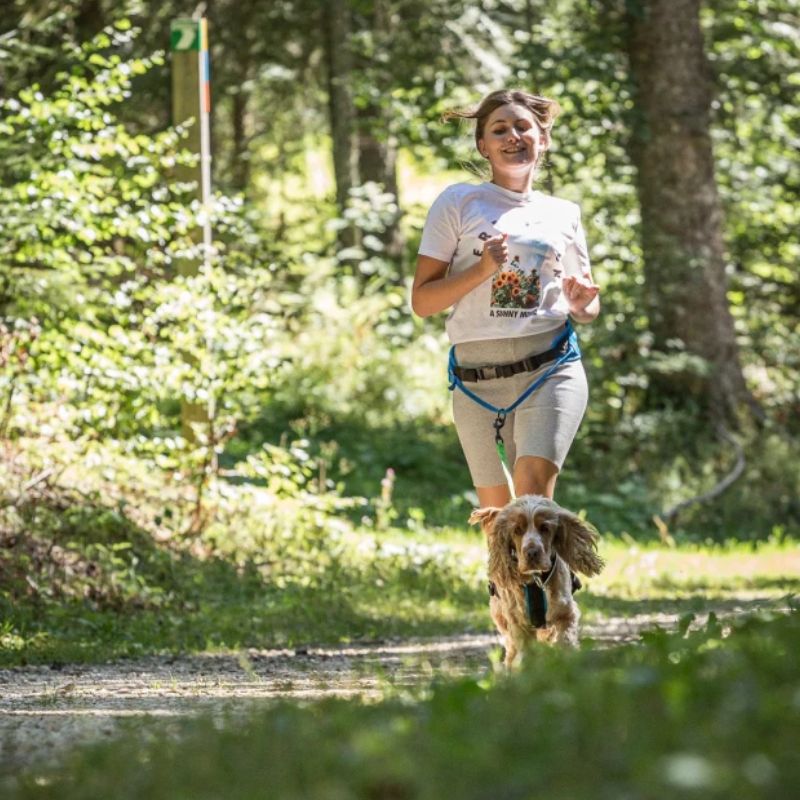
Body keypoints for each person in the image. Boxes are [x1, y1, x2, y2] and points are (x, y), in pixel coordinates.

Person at [411, 89, 600, 509]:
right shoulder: (458, 202)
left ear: (543, 139)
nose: (512, 136)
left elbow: (586, 307)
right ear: (483, 145)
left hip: (549, 370)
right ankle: (551, 576)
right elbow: (422, 302)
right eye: (499, 129)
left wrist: (582, 302)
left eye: (523, 127)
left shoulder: (563, 213)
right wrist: (481, 270)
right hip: (477, 381)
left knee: (532, 503)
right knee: (498, 522)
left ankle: (547, 574)